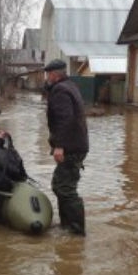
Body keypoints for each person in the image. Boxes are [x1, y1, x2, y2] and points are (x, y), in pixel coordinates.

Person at [44, 58, 88, 235]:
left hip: (70, 147)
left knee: (65, 188)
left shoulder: (60, 90)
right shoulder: (69, 86)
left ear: (54, 75)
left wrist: (59, 146)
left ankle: (76, 231)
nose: (47, 77)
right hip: (76, 145)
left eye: (48, 74)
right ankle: (66, 225)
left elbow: (65, 119)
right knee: (61, 186)